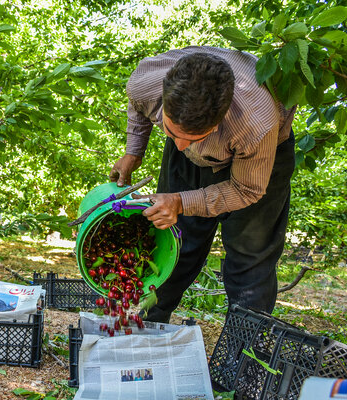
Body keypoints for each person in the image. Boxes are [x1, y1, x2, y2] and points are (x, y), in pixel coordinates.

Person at [110, 46, 296, 323]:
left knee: (249, 258)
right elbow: (139, 107)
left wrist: (182, 201)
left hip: (256, 162)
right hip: (200, 153)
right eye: (172, 132)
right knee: (173, 239)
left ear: (220, 119)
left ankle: (245, 348)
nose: (182, 145)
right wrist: (134, 151)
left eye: (195, 138)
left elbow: (246, 190)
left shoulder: (257, 125)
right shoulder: (145, 81)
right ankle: (149, 322)